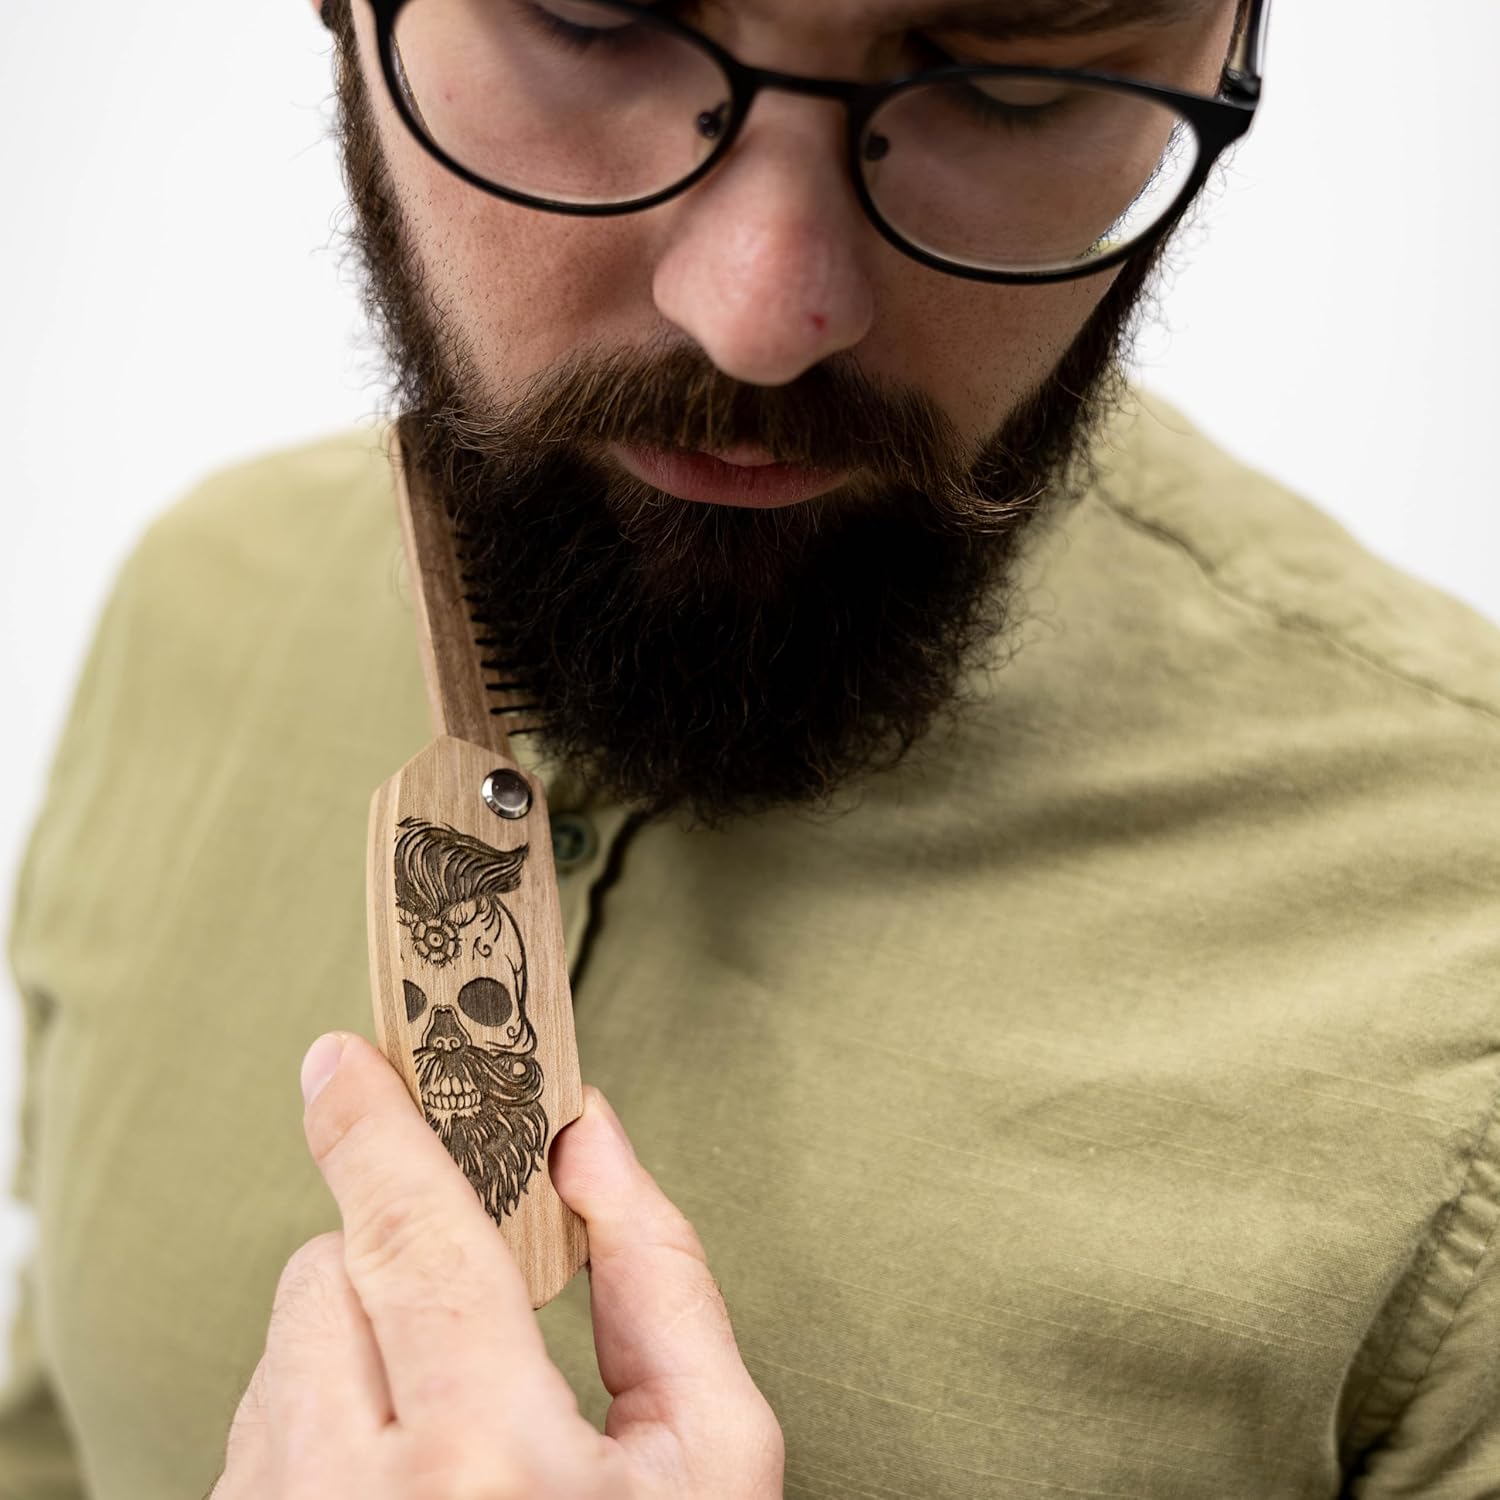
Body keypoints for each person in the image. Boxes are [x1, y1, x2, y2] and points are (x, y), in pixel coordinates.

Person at [4, 0, 1499, 1494]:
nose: (759, 315)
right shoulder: (193, 605)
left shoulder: (1463, 957)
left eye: (1012, 72)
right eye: (594, 14)